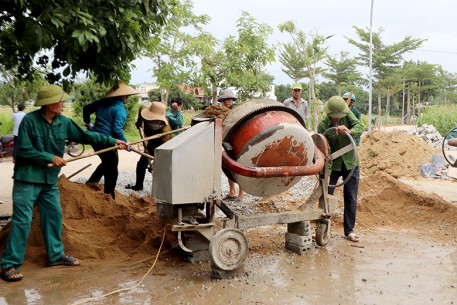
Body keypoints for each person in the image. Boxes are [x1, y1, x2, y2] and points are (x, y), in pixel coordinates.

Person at [0, 84, 128, 282]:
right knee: (22, 221)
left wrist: (113, 140)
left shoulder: (63, 122)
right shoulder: (29, 122)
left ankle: (55, 256)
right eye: (59, 100)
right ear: (47, 104)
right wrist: (49, 157)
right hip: (27, 179)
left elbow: (87, 135)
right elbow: (23, 150)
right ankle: (9, 263)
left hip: (49, 181)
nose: (62, 104)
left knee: (54, 216)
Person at [317, 96, 364, 242]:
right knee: (326, 195)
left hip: (351, 162)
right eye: (334, 118)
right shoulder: (323, 126)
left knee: (351, 197)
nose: (337, 120)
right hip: (333, 165)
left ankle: (349, 230)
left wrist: (349, 131)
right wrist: (326, 172)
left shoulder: (348, 114)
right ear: (329, 114)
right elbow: (322, 149)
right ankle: (323, 227)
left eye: (339, 118)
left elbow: (360, 127)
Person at [83, 82, 137, 199]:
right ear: (121, 96)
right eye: (126, 96)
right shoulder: (120, 109)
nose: (128, 98)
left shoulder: (102, 102)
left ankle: (92, 182)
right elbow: (117, 129)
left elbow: (86, 108)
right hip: (106, 141)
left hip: (94, 138)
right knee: (112, 168)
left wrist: (89, 123)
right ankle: (109, 196)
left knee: (107, 162)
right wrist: (125, 142)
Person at [126, 102, 173, 191]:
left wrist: (156, 162)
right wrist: (139, 122)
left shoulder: (164, 130)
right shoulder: (144, 111)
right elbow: (141, 108)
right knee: (141, 165)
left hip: (163, 145)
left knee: (160, 168)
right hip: (152, 143)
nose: (153, 122)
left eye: (156, 121)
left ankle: (163, 190)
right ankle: (138, 186)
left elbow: (166, 149)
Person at [218, 89, 245, 203]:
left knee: (240, 166)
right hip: (226, 141)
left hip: (238, 140)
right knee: (228, 167)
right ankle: (232, 191)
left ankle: (241, 195)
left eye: (229, 99)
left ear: (233, 100)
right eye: (224, 100)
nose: (227, 102)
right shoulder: (220, 111)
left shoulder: (239, 110)